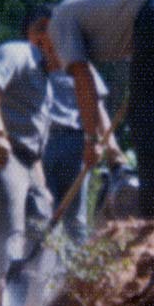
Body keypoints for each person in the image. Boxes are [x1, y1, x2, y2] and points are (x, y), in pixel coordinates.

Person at [34, 0, 154, 220]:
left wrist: (90, 139)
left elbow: (84, 82)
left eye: (40, 45)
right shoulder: (83, 15)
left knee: (145, 116)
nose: (44, 55)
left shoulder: (58, 21)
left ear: (45, 26)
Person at [0, 7, 55, 306]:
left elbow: (35, 144)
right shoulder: (17, 53)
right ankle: (2, 299)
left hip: (27, 162)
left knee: (44, 224)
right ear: (42, 32)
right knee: (11, 213)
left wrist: (42, 186)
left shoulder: (46, 81)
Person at [42, 67, 112, 245]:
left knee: (76, 219)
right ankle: (42, 260)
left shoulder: (79, 63)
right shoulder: (32, 61)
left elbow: (97, 106)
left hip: (75, 143)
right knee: (43, 210)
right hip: (42, 143)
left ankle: (77, 260)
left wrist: (105, 144)